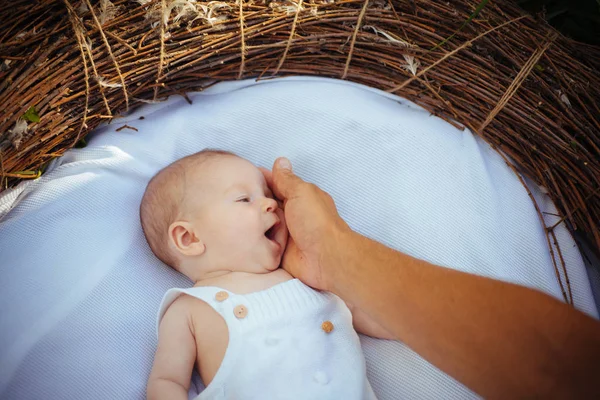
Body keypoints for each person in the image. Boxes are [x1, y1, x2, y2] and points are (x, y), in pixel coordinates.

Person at [262, 157, 600, 399]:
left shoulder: (305, 289)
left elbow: (380, 317)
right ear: (203, 240)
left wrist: (333, 254)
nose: (267, 206)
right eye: (241, 198)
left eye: (262, 195)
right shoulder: (207, 299)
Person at [142, 150, 391, 400]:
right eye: (244, 199)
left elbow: (369, 310)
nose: (271, 204)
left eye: (268, 196)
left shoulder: (307, 276)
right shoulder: (188, 308)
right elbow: (167, 381)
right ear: (189, 238)